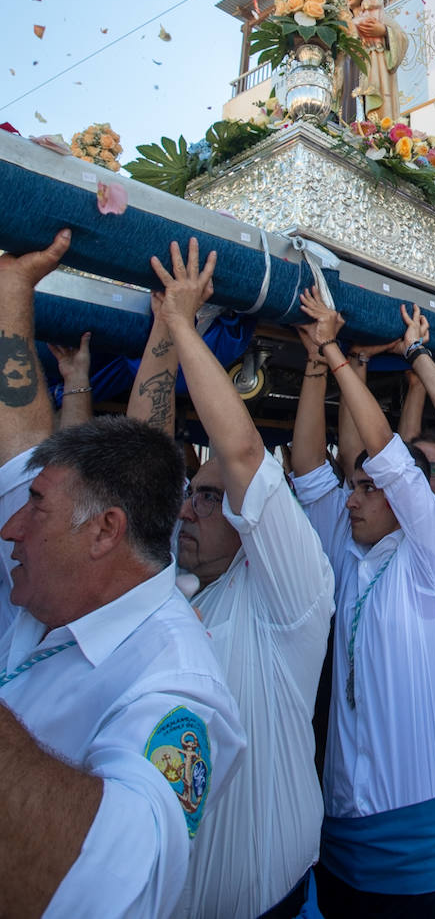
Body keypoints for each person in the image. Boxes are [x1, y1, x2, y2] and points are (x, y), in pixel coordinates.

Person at [0, 230, 245, 919]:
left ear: (105, 531)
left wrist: (177, 326)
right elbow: (22, 448)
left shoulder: (179, 690)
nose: (9, 528)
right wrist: (16, 291)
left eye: (34, 512)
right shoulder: (44, 569)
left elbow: (113, 884)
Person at [127, 239, 336, 919]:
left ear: (254, 530)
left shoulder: (288, 597)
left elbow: (242, 453)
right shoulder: (168, 593)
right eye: (191, 493)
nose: (188, 506)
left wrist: (187, 325)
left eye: (211, 498)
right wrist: (162, 330)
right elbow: (139, 463)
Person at [292, 288, 435, 918]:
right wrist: (320, 367)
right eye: (354, 488)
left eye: (371, 489)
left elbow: (390, 462)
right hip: (343, 829)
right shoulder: (348, 556)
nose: (355, 498)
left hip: (421, 836)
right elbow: (308, 470)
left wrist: (335, 354)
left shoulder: (432, 557)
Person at [349, 0, 409, 124]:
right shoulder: (348, 23)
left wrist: (383, 31)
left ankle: (379, 129)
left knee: (378, 114)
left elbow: (403, 38)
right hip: (354, 75)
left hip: (377, 70)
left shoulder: (378, 15)